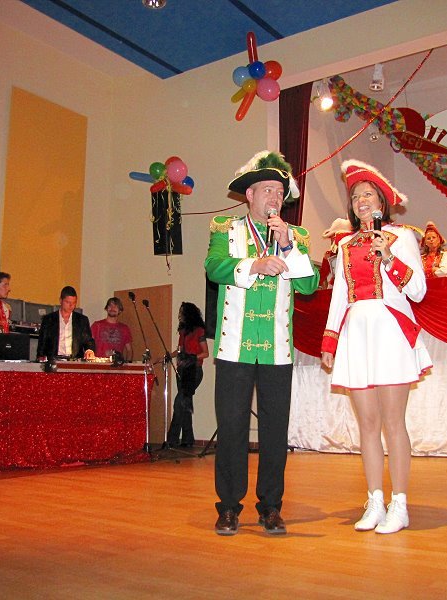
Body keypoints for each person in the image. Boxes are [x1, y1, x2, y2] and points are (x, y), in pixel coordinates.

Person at [205, 150, 319, 536]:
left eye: (280, 192)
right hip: (234, 346)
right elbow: (214, 267)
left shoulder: (296, 236)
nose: (275, 198)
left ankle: (271, 506)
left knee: (274, 430)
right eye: (268, 190)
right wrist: (254, 265)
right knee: (232, 426)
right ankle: (228, 507)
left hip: (277, 349)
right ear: (250, 195)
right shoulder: (225, 230)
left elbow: (309, 284)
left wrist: (288, 247)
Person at [320, 160, 432, 535]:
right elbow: (339, 296)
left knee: (393, 422)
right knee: (367, 424)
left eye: (367, 194)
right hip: (357, 335)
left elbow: (419, 291)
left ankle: (400, 503)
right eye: (355, 196)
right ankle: (375, 501)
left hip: (390, 332)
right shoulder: (345, 245)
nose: (361, 200)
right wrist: (330, 340)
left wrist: (389, 258)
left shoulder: (402, 237)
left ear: (381, 202)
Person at [166, 302, 209, 448]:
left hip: (194, 371)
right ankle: (187, 439)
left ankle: (172, 439)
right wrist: (168, 356)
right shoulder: (183, 331)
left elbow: (206, 353)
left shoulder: (199, 331)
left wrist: (192, 357)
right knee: (184, 403)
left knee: (179, 402)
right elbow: (179, 350)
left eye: (181, 312)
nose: (179, 315)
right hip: (182, 371)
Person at [36, 286, 95, 360]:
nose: (71, 306)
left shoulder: (82, 320)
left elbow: (88, 340)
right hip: (54, 360)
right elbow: (42, 343)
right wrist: (40, 357)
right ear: (60, 300)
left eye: (74, 303)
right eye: (68, 302)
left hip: (74, 360)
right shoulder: (49, 319)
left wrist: (89, 350)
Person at [91, 297, 133, 361]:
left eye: (115, 306)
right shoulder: (97, 325)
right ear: (106, 308)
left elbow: (129, 350)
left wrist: (128, 364)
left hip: (117, 364)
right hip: (99, 363)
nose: (112, 308)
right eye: (110, 305)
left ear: (120, 310)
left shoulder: (124, 328)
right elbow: (88, 346)